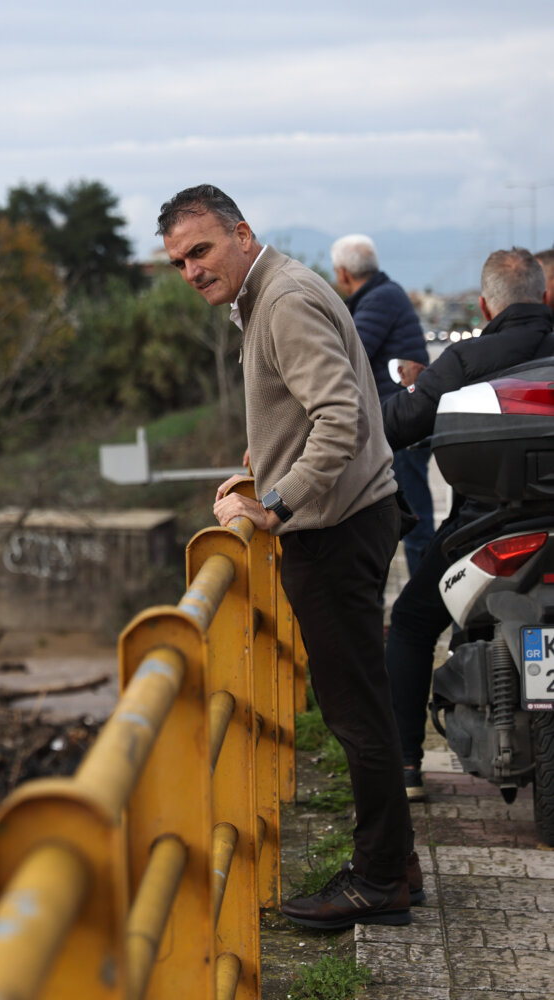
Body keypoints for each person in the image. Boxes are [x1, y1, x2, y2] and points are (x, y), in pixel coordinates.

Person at [158, 185, 414, 930]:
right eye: (178, 262)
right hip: (352, 518)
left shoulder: (283, 300)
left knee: (355, 714)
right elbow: (315, 404)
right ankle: (395, 863)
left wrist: (275, 503)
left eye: (201, 250)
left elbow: (340, 417)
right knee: (362, 704)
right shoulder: (275, 289)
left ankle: (378, 881)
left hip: (334, 532)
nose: (192, 271)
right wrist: (265, 457)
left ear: (241, 234)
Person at [382, 248, 554, 801]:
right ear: (544, 296)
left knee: (411, 622)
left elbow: (397, 424)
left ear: (484, 306)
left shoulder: (466, 360)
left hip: (489, 530)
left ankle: (406, 766)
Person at [331, 234, 435, 572]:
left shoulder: (378, 300)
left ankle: (422, 599)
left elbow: (346, 356)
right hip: (402, 420)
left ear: (343, 273)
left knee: (414, 521)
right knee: (408, 517)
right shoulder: (383, 295)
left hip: (401, 424)